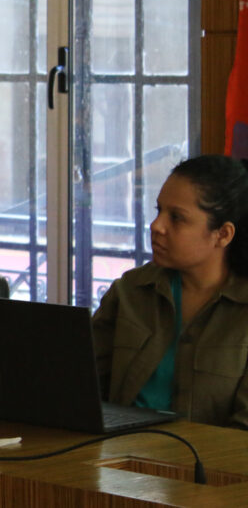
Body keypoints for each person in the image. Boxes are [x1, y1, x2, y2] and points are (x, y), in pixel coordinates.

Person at [92, 155, 248, 428]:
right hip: (120, 450)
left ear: (223, 234)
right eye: (159, 210)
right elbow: (82, 387)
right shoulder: (130, 291)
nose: (157, 226)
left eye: (177, 218)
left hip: (210, 455)